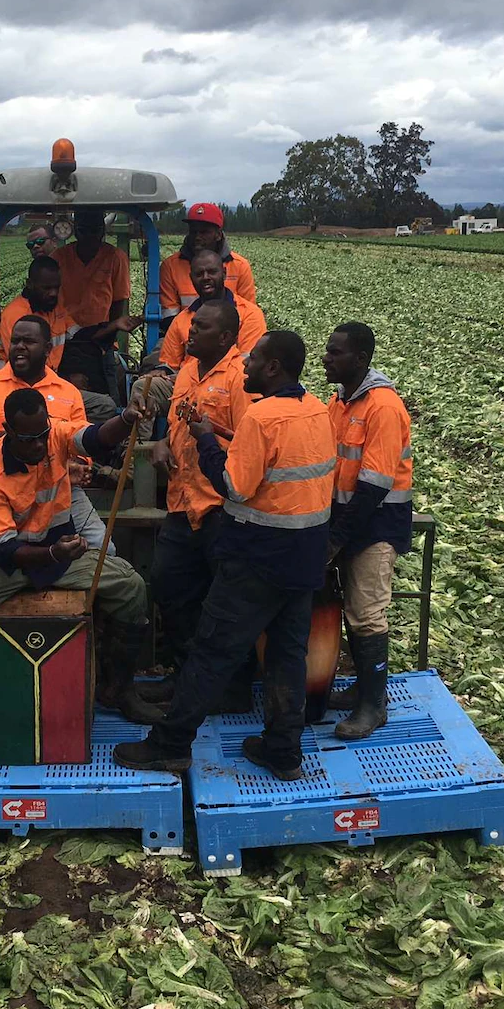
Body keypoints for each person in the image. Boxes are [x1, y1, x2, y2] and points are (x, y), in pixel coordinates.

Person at [113, 331, 335, 781]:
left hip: (256, 558)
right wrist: (222, 433)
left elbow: (233, 485)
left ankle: (170, 745)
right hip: (305, 557)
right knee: (287, 656)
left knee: (211, 652)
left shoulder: (262, 416)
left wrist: (205, 441)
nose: (245, 366)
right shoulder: (315, 409)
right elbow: (279, 465)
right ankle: (283, 751)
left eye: (253, 360)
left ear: (273, 368)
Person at [0, 386, 162, 783]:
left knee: (131, 586)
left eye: (43, 434)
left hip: (60, 556)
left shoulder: (52, 434)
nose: (40, 444)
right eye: (28, 439)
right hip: (6, 565)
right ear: (7, 430)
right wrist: (55, 554)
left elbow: (92, 437)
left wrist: (125, 419)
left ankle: (120, 689)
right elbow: (5, 551)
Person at [145, 300, 256, 705]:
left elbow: (250, 443)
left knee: (226, 602)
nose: (190, 333)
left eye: (202, 328)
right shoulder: (188, 371)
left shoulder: (242, 377)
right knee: (169, 586)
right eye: (192, 326)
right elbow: (177, 424)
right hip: (181, 501)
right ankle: (184, 675)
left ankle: (234, 687)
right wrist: (161, 442)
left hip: (219, 507)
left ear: (225, 338)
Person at [0, 315, 112, 553]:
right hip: (2, 492)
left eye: (28, 341)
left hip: (60, 492)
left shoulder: (68, 392)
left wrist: (75, 463)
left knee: (104, 548)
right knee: (1, 554)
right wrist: (12, 443)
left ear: (47, 349)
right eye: (15, 341)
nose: (19, 347)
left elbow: (79, 437)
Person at [323, 321, 413, 740]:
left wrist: (338, 536)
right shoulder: (340, 401)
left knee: (367, 613)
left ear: (359, 359)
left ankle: (373, 706)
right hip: (348, 518)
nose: (327, 358)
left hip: (374, 524)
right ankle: (363, 688)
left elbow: (375, 484)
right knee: (354, 612)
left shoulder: (383, 407)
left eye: (335, 352)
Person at [131, 249, 266, 437]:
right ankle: (139, 452)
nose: (206, 278)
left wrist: (210, 380)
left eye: (211, 272)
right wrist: (164, 373)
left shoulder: (249, 314)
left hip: (232, 382)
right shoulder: (182, 319)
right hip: (186, 381)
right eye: (199, 274)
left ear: (224, 273)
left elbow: (248, 362)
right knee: (143, 387)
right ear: (191, 278)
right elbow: (169, 364)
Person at [54, 209, 141, 401]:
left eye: (95, 230)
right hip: (65, 339)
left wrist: (108, 335)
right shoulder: (59, 257)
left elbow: (119, 301)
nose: (90, 236)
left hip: (100, 339)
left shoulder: (115, 257)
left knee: (109, 394)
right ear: (76, 231)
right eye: (84, 230)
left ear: (103, 231)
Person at [160, 202, 256, 329]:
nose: (197, 237)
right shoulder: (170, 266)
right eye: (193, 231)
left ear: (218, 235)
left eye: (204, 232)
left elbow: (248, 314)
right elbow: (169, 317)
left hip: (230, 336)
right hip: (184, 335)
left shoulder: (240, 266)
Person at [0, 257, 78, 371]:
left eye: (56, 287)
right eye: (47, 288)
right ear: (29, 284)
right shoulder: (16, 314)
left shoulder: (54, 307)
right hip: (17, 379)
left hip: (50, 374)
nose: (53, 293)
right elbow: (21, 361)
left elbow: (76, 335)